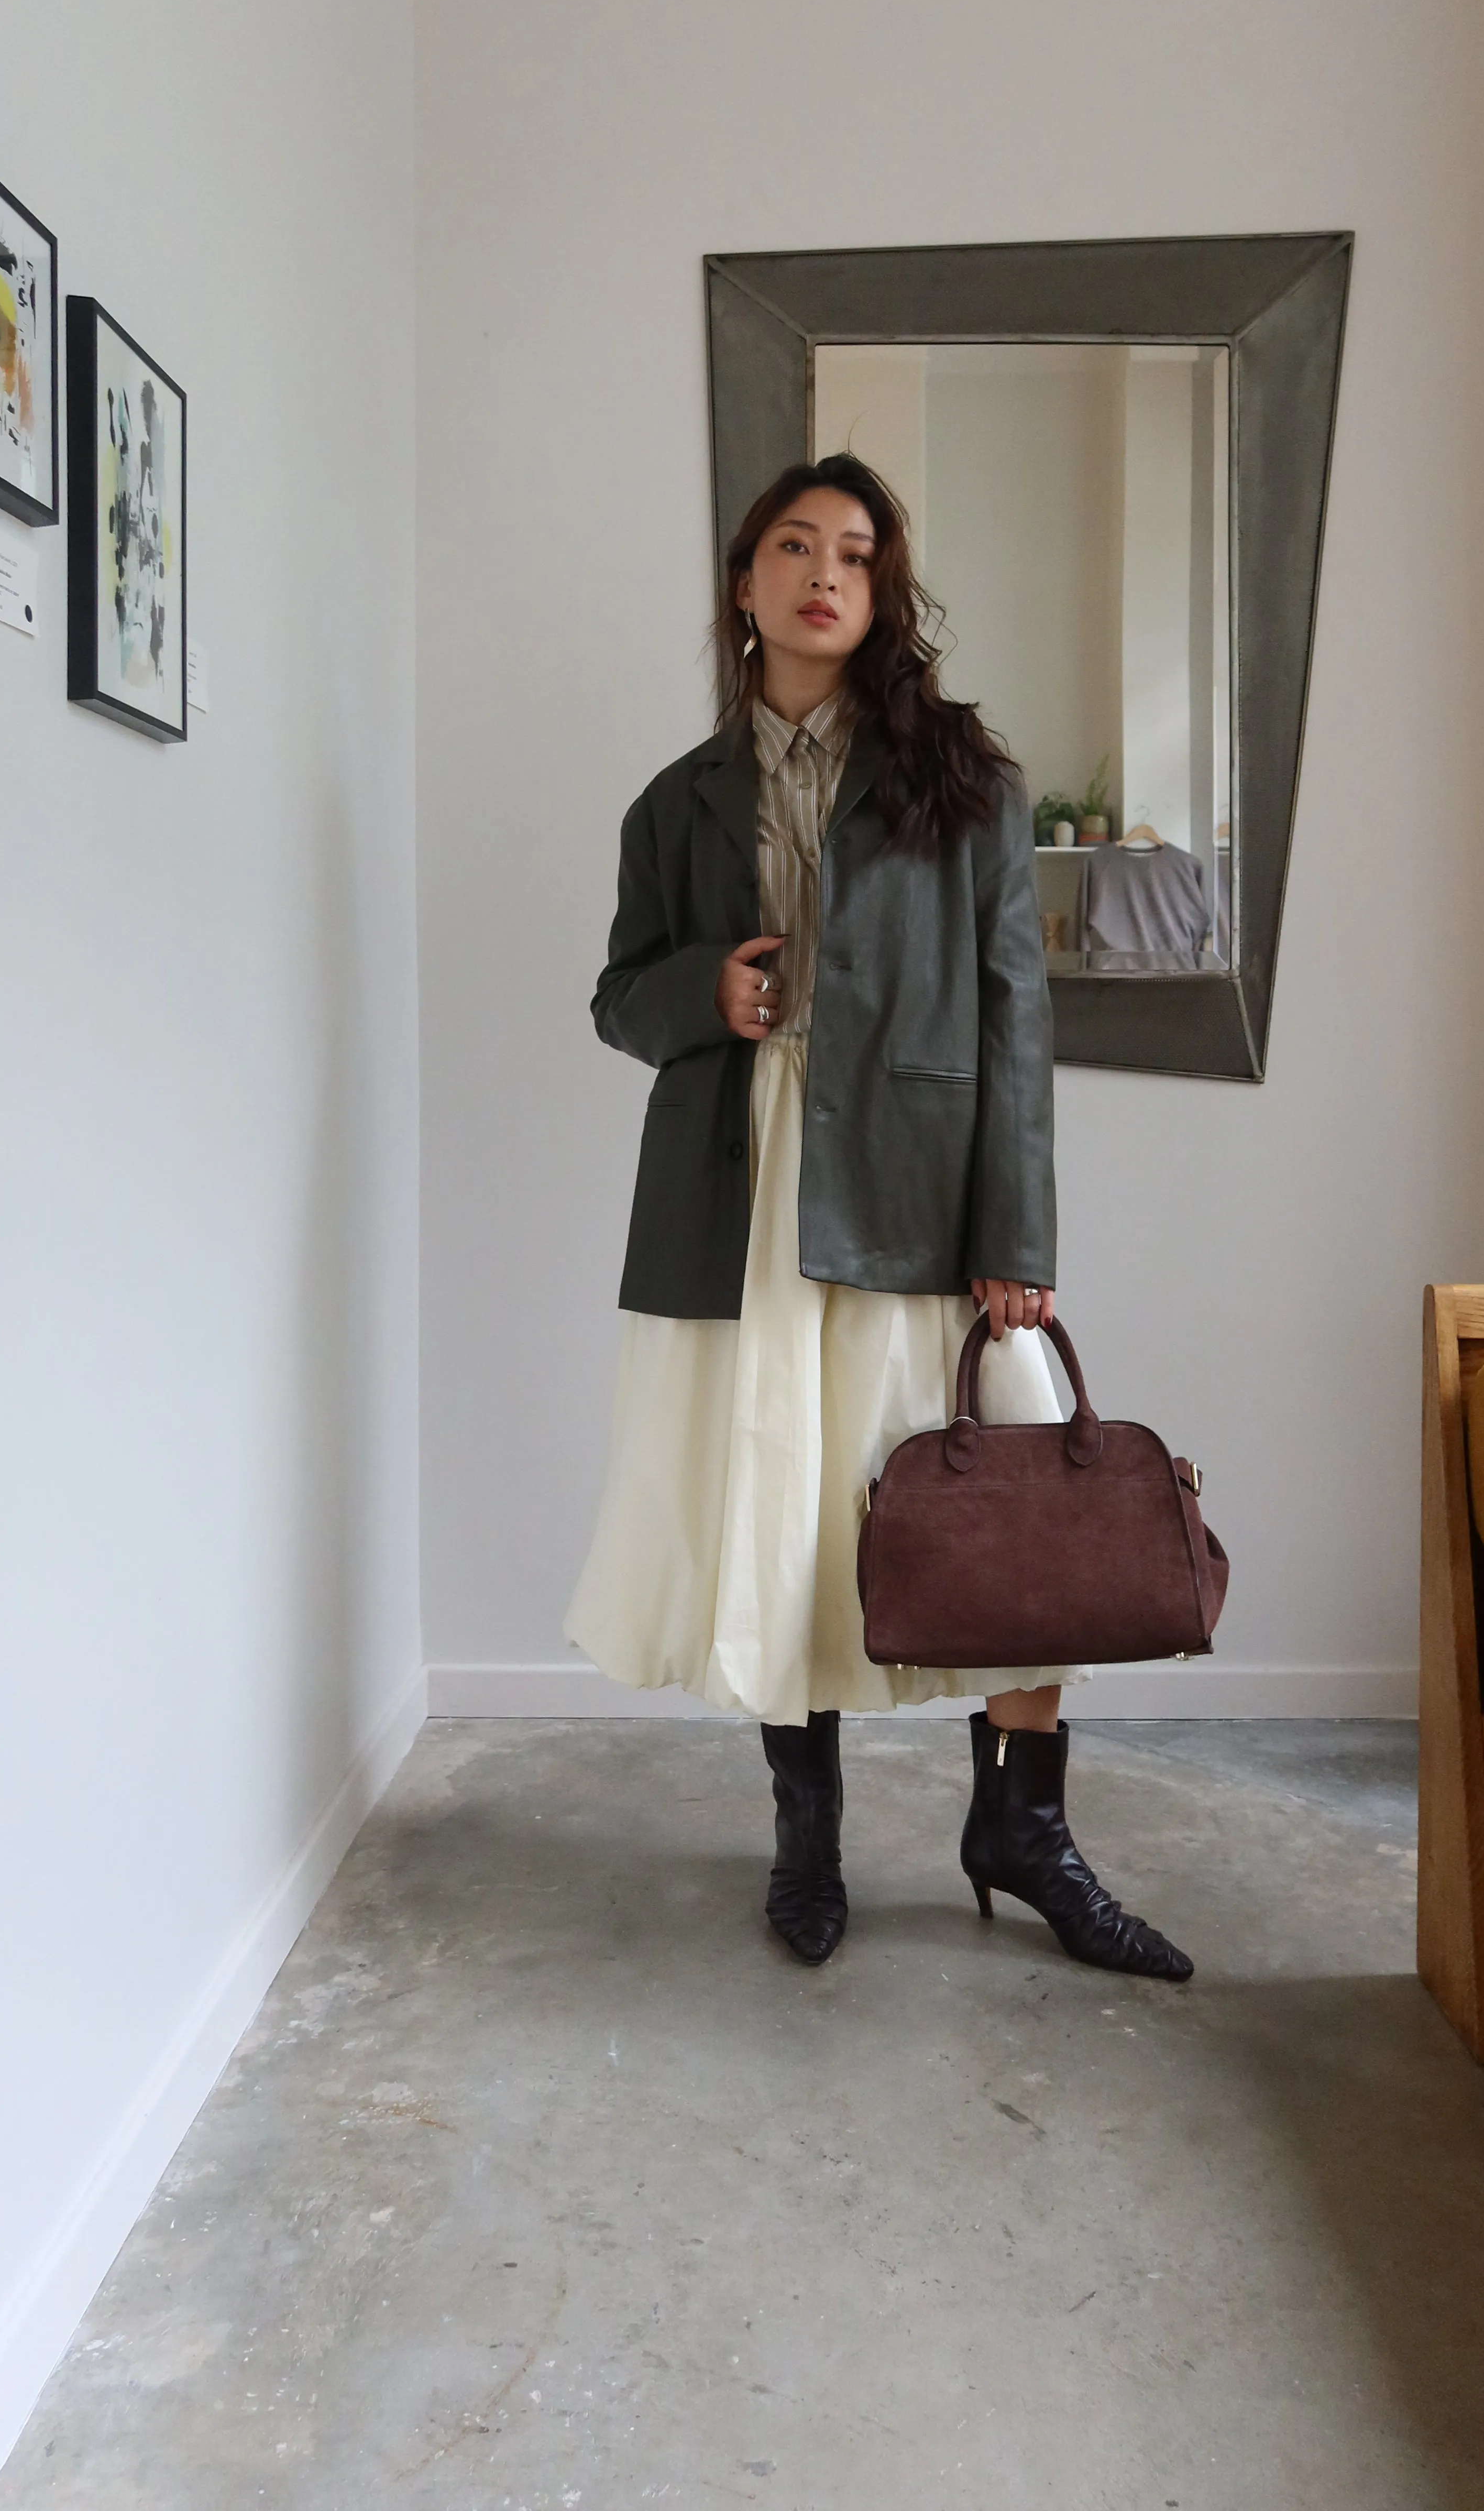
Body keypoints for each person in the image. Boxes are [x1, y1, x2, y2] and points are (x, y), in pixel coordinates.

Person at [566, 454, 1190, 1983]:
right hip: (740, 1185)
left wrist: (1017, 1237)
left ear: (883, 590)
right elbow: (617, 997)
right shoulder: (674, 803)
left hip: (916, 1177)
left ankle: (1024, 1829)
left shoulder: (964, 782)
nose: (822, 572)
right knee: (792, 1506)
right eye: (793, 545)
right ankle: (807, 1832)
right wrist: (699, 993)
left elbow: (1012, 1015)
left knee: (1012, 1503)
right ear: (746, 583)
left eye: (854, 551)